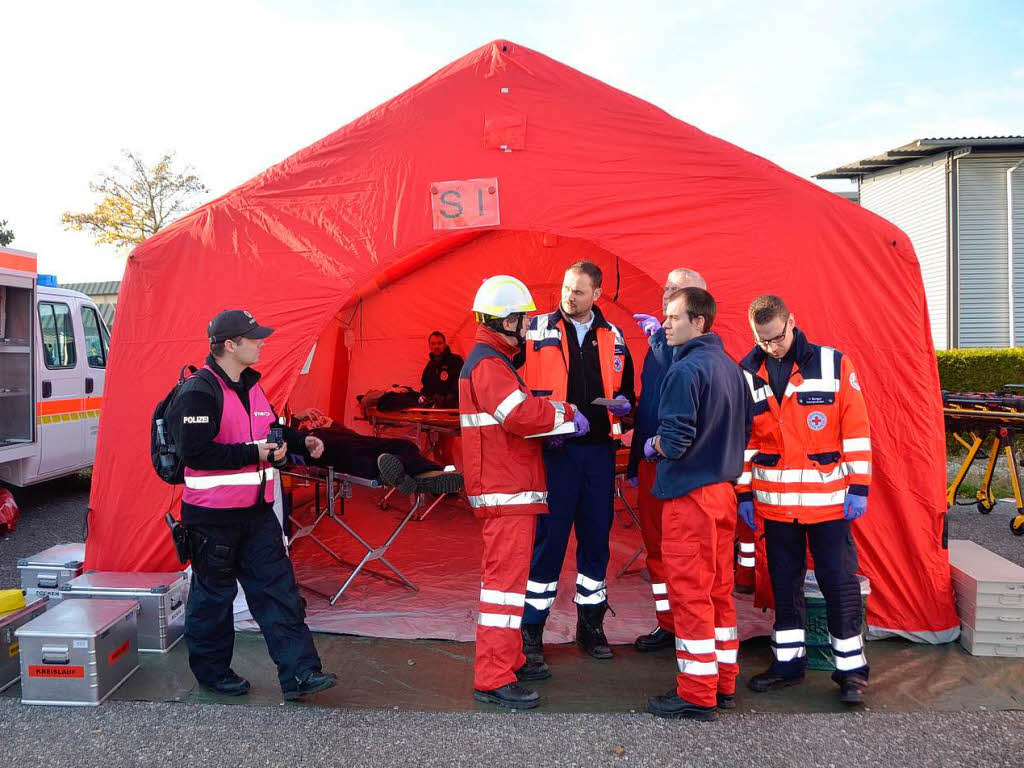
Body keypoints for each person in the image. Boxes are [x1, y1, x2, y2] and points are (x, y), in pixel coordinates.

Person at [167, 309, 337, 701]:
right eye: (254, 338)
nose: (261, 342)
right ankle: (212, 674)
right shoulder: (198, 390)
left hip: (256, 515)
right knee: (213, 598)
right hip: (212, 518)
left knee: (279, 592)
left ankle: (301, 674)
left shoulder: (251, 387)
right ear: (231, 345)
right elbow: (195, 452)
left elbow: (269, 428)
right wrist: (252, 452)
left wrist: (300, 442)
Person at [735, 295, 872, 706]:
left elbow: (857, 429)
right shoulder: (747, 372)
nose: (771, 347)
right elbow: (746, 441)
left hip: (829, 503)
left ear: (791, 322)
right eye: (762, 341)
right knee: (784, 584)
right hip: (776, 505)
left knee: (839, 584)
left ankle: (851, 672)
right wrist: (743, 490)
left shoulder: (833, 364)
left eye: (776, 338)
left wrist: (860, 487)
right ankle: (787, 664)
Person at [459, 275, 588, 709]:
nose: (528, 327)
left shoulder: (492, 360)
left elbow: (512, 418)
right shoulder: (489, 364)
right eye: (523, 319)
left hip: (510, 489)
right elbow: (518, 416)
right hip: (506, 492)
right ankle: (493, 677)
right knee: (502, 590)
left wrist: (550, 422)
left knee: (510, 588)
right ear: (507, 319)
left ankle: (509, 658)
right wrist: (566, 414)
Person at [642, 288, 751, 720]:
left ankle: (696, 692)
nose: (665, 324)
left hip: (690, 498)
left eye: (673, 318)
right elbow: (744, 432)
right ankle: (723, 681)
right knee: (719, 592)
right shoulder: (731, 368)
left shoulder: (686, 371)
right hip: (722, 493)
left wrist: (650, 445)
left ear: (699, 323)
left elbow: (673, 440)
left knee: (688, 595)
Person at [521, 261, 635, 663]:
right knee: (549, 541)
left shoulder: (614, 337)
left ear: (597, 295)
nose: (569, 296)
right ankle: (531, 631)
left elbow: (628, 397)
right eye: (567, 288)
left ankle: (591, 626)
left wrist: (625, 406)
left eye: (579, 291)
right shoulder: (534, 330)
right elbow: (512, 385)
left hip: (599, 454)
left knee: (595, 541)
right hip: (556, 453)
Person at [627, 267, 710, 652]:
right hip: (650, 461)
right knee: (657, 549)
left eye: (674, 290)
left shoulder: (695, 352)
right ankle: (669, 622)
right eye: (666, 287)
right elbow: (651, 407)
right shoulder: (661, 341)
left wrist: (662, 346)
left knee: (684, 555)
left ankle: (691, 628)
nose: (665, 294)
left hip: (680, 467)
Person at [290, 407, 463, 495]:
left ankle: (431, 475)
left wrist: (332, 425)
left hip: (357, 442)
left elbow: (354, 436)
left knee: (402, 445)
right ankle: (415, 477)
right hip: (333, 451)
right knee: (371, 459)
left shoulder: (321, 429)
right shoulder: (299, 439)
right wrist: (298, 419)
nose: (311, 421)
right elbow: (284, 438)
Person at [420, 331, 464, 408]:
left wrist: (450, 396)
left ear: (444, 344)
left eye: (439, 343)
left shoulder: (456, 361)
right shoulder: (430, 366)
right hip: (435, 407)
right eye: (433, 344)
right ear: (430, 346)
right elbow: (426, 386)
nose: (436, 346)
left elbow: (462, 383)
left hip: (454, 406)